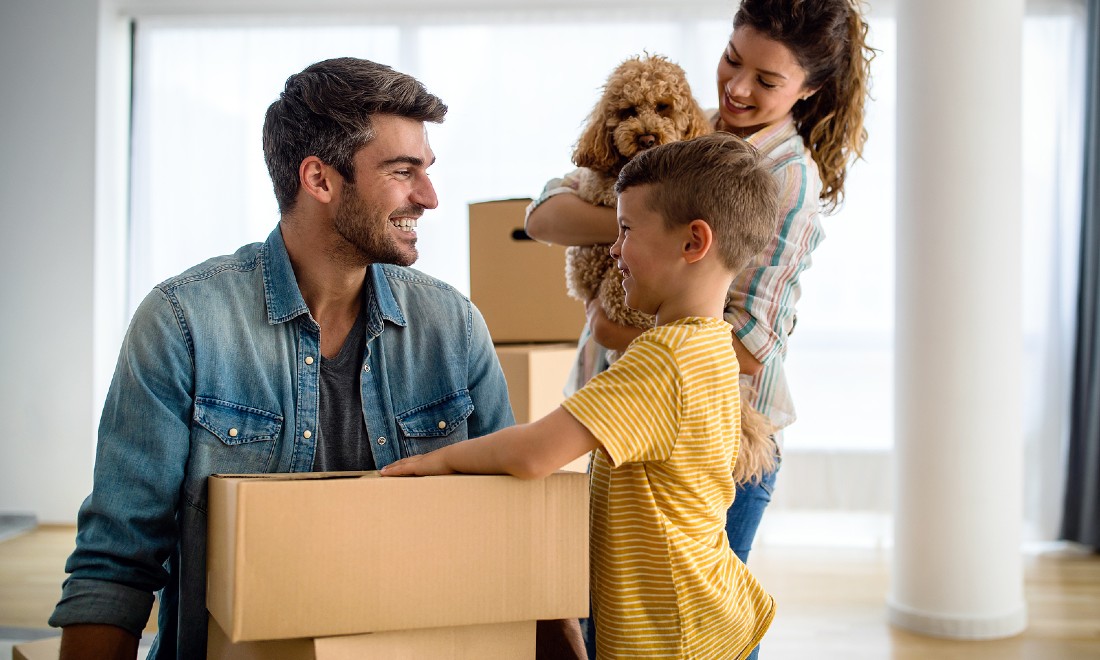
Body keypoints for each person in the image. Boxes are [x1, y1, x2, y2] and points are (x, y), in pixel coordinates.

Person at [48, 57, 515, 660]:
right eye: (403, 172)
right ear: (319, 179)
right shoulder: (183, 323)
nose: (428, 197)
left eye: (425, 170)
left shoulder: (452, 326)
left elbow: (511, 532)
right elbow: (116, 562)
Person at [525, 0, 873, 635]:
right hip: (632, 423)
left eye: (767, 81)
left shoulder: (785, 181)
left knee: (703, 623)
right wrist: (634, 222)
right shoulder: (691, 130)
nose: (737, 89)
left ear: (810, 88)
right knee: (619, 608)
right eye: (731, 61)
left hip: (719, 441)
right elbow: (544, 212)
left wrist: (616, 325)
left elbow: (751, 343)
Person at [383, 133, 782, 660]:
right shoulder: (711, 347)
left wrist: (433, 460)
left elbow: (533, 454)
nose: (613, 249)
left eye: (625, 230)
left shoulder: (664, 359)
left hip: (671, 632)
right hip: (704, 612)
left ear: (693, 242)